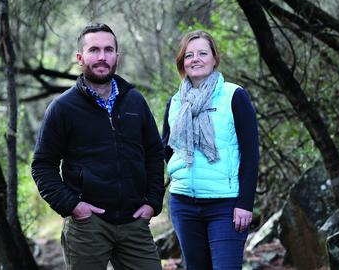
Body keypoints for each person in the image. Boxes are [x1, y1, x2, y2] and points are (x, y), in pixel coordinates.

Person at [32, 23, 164, 270]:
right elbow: (42, 166)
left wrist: (153, 202)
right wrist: (73, 205)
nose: (102, 57)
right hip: (87, 225)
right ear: (80, 57)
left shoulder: (135, 101)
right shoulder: (62, 108)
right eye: (94, 50)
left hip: (135, 221)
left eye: (108, 50)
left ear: (117, 56)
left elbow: (154, 153)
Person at [162, 30, 260, 270]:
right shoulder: (175, 102)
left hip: (225, 205)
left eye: (202, 53)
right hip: (184, 204)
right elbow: (166, 148)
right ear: (182, 62)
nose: (195, 59)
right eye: (189, 55)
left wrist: (245, 203)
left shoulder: (234, 96)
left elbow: (250, 154)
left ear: (214, 58)